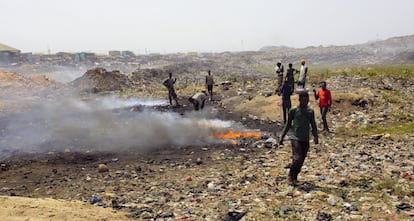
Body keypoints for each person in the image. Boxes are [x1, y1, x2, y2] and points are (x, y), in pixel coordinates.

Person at [278, 92, 319, 186]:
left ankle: (295, 177)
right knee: (297, 158)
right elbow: (288, 124)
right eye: (303, 100)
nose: (305, 102)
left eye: (307, 100)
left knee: (302, 160)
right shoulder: (294, 110)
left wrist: (316, 136)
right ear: (299, 100)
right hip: (295, 137)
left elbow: (313, 124)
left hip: (305, 138)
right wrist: (282, 137)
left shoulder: (310, 112)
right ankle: (290, 175)